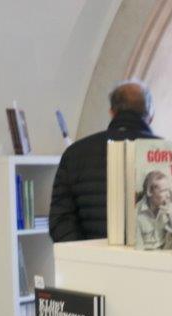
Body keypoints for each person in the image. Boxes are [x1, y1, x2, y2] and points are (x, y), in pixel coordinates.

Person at [49, 80, 158, 242]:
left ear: (112, 112)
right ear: (151, 115)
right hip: (151, 256)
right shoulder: (167, 152)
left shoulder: (75, 153)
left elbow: (60, 220)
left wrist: (85, 252)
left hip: (89, 257)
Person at [134, 170, 172, 250]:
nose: (168, 195)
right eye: (163, 191)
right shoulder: (136, 212)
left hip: (164, 251)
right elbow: (138, 249)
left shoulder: (170, 207)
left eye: (168, 190)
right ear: (149, 192)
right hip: (146, 254)